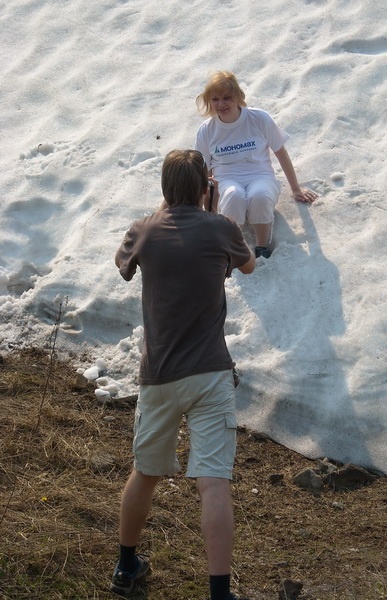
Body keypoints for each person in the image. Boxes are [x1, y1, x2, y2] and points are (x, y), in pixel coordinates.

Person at [112, 149, 255, 598]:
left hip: (159, 376)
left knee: (145, 473)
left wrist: (170, 208)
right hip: (210, 373)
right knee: (213, 483)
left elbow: (123, 267)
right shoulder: (222, 229)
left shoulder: (144, 231)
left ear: (164, 187)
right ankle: (219, 593)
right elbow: (248, 264)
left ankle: (126, 567)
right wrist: (209, 210)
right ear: (205, 186)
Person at [195, 70, 318, 259]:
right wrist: (206, 210)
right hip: (226, 179)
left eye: (227, 98)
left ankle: (262, 245)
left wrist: (295, 189)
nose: (221, 104)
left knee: (259, 196)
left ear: (238, 96)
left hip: (260, 175)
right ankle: (234, 245)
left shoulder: (259, 119)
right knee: (234, 196)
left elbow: (281, 153)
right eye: (215, 99)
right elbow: (205, 171)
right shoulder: (206, 130)